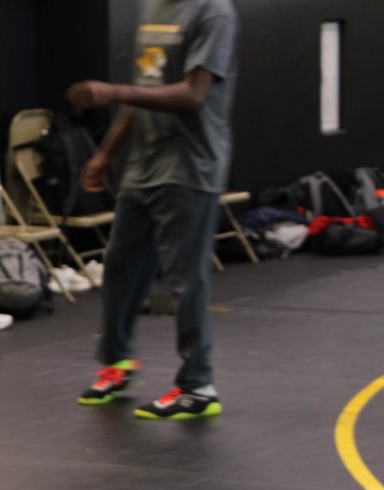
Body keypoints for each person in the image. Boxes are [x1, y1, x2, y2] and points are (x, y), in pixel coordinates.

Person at [67, 0, 238, 419]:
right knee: (121, 267)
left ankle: (198, 386)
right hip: (144, 166)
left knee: (184, 279)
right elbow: (145, 88)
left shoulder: (213, 12)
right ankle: (118, 362)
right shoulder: (153, 8)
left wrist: (111, 91)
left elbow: (194, 94)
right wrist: (105, 153)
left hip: (190, 166)